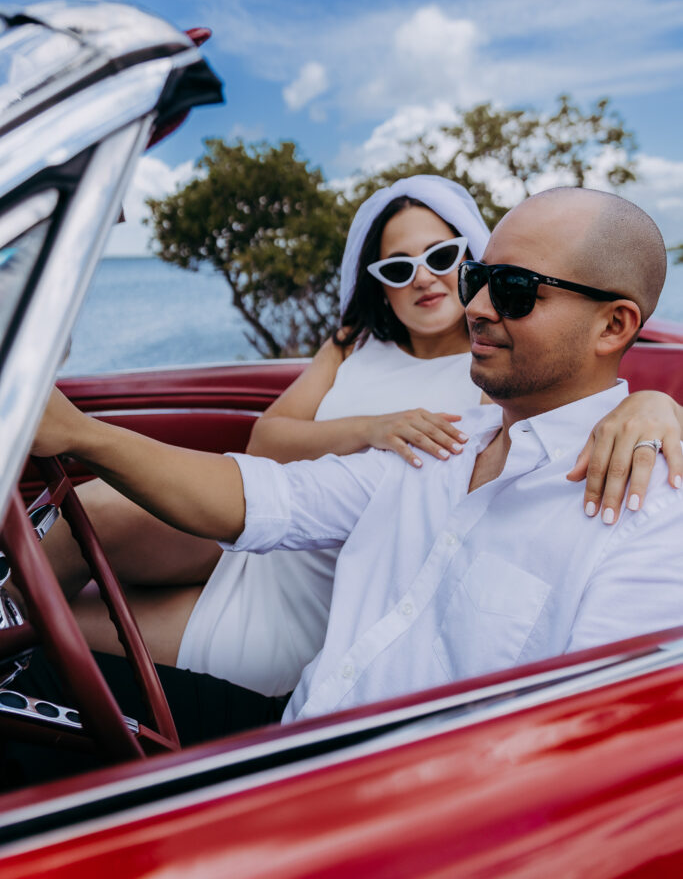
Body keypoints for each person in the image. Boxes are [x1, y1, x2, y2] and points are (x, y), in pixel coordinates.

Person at [30, 187, 683, 732]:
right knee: (39, 657)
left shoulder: (645, 516)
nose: (476, 307)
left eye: (512, 290)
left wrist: (653, 402)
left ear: (611, 327)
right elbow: (257, 492)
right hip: (293, 731)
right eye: (479, 279)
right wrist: (86, 436)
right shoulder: (443, 445)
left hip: (372, 810)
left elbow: (591, 751)